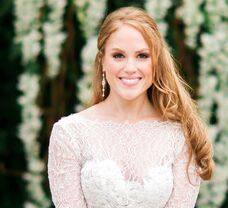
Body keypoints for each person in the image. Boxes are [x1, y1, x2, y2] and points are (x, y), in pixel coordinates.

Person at [47, 6, 214, 208]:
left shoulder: (179, 135)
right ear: (103, 61)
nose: (130, 68)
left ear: (156, 62)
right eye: (118, 55)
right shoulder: (69, 133)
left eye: (142, 56)